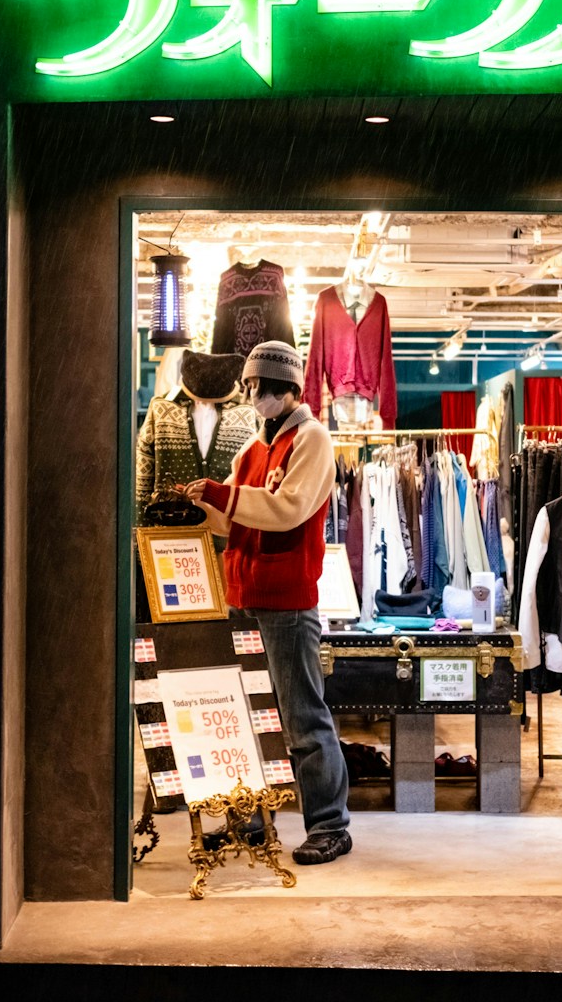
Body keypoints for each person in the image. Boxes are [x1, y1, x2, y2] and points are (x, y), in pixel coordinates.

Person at [188, 340, 352, 864]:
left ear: (289, 387)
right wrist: (197, 507)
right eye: (253, 385)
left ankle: (330, 824)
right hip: (243, 595)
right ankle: (252, 820)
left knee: (302, 717)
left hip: (285, 600)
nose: (256, 394)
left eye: (264, 386)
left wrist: (219, 495)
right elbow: (235, 518)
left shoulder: (313, 439)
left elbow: (288, 510)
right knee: (248, 717)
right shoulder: (250, 450)